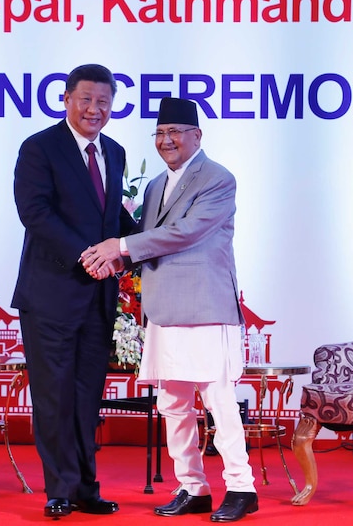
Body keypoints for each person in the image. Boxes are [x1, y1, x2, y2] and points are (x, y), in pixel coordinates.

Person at [81, 97, 258, 522]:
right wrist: (116, 258)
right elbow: (150, 238)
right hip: (163, 308)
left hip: (204, 304)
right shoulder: (156, 184)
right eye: (160, 133)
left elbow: (186, 232)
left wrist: (119, 247)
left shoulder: (217, 179)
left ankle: (241, 486)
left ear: (197, 136)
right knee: (172, 403)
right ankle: (193, 485)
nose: (167, 140)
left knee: (218, 399)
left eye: (176, 132)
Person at [12, 63, 136, 518]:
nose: (95, 109)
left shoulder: (116, 152)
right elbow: (35, 213)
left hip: (98, 299)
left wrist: (139, 243)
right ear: (66, 98)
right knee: (54, 395)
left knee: (87, 396)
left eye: (104, 101)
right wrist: (88, 254)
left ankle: (87, 487)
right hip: (50, 296)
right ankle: (58, 490)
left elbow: (112, 222)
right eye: (86, 99)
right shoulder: (39, 148)